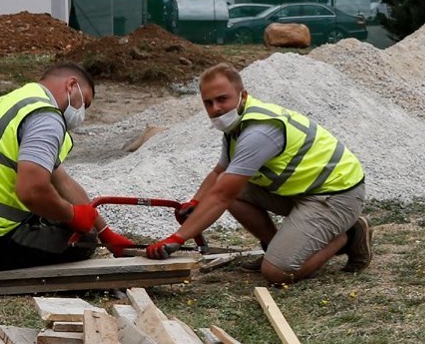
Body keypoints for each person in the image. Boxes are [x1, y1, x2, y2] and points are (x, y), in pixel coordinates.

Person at [143, 63, 371, 283]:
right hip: (307, 191)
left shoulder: (259, 132)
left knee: (277, 273)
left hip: (337, 194)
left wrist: (176, 239)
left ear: (242, 95)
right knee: (234, 188)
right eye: (208, 103)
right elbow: (219, 172)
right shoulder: (237, 127)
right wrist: (196, 201)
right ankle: (275, 247)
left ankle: (347, 236)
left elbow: (222, 195)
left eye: (222, 99)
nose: (216, 109)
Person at [0, 63, 137, 271]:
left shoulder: (12, 103)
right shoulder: (46, 118)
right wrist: (72, 216)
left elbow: (63, 182)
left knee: (56, 214)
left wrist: (106, 232)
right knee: (83, 241)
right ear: (71, 86)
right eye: (84, 103)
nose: (82, 113)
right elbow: (32, 191)